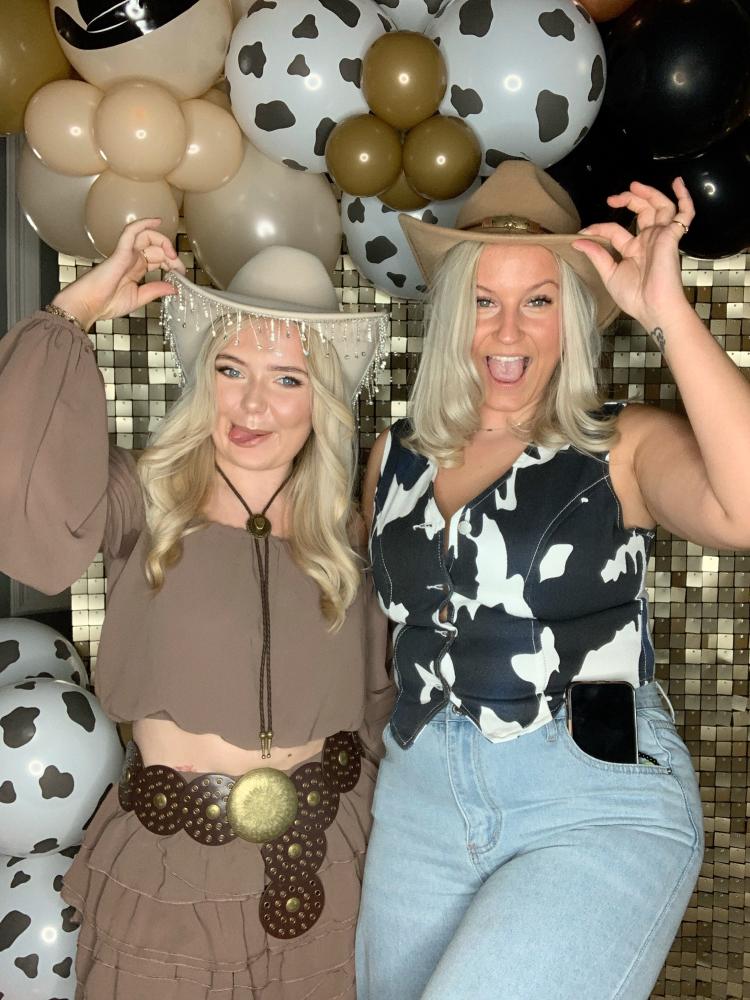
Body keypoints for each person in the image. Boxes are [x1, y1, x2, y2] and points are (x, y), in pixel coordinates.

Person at [354, 160, 750, 1000]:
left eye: (538, 300)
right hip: (422, 802)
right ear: (452, 314)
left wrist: (667, 312)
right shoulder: (394, 457)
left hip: (589, 788)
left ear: (571, 317)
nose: (508, 332)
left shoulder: (621, 447)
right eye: (483, 301)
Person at [0, 220, 394, 999]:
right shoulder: (141, 498)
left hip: (329, 860)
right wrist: (73, 313)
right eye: (231, 367)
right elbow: (17, 499)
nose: (252, 402)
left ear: (323, 399)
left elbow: (384, 703)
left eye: (287, 379)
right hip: (168, 873)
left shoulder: (352, 534)